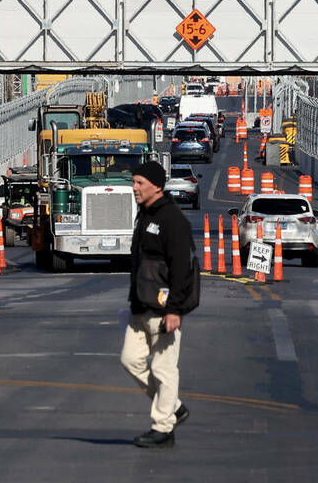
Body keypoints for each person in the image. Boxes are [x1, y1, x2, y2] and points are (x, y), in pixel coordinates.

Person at [121, 160, 196, 449]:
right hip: (140, 306)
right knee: (130, 360)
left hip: (165, 309)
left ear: (156, 186)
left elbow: (182, 267)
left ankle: (163, 427)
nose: (134, 187)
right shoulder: (145, 215)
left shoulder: (172, 220)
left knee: (164, 369)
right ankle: (174, 406)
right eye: (134, 182)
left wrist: (175, 308)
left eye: (139, 182)